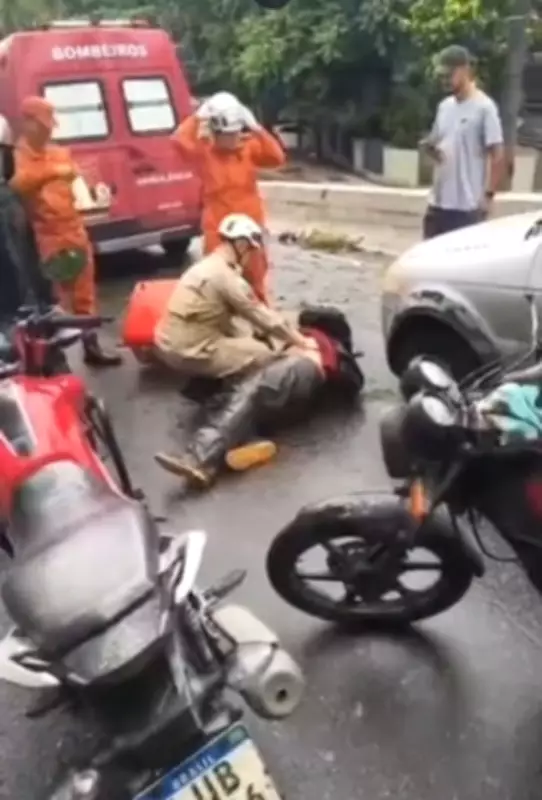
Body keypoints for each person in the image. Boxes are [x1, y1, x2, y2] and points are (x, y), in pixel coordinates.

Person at [154, 305, 365, 489]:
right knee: (238, 404)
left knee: (246, 397)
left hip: (296, 371)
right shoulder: (334, 354)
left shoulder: (315, 340)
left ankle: (200, 459)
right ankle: (240, 447)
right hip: (294, 392)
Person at [10, 96, 121, 367]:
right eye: (43, 124)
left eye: (50, 125)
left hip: (74, 232)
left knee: (86, 297)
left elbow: (77, 183)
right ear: (26, 123)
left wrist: (95, 193)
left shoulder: (58, 153)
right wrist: (53, 172)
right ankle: (52, 358)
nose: (49, 130)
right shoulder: (17, 158)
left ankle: (91, 347)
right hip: (47, 240)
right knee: (54, 303)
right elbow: (17, 185)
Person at [154, 213, 318, 381]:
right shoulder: (227, 278)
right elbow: (263, 317)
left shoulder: (206, 265)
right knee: (264, 355)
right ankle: (232, 401)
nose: (250, 256)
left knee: (242, 334)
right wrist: (302, 341)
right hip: (190, 351)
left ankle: (206, 385)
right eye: (249, 250)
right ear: (240, 245)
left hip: (167, 343)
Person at [172, 92, 285, 304]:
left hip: (251, 226)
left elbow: (276, 158)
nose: (232, 139)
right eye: (226, 135)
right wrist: (198, 116)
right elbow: (178, 141)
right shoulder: (204, 152)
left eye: (235, 133)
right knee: (216, 283)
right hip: (218, 229)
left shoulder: (249, 147)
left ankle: (262, 325)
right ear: (215, 132)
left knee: (256, 283)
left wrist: (257, 128)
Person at [421, 45, 504, 240]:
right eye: (441, 75)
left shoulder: (484, 107)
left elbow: (497, 154)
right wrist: (430, 149)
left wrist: (488, 196)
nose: (444, 80)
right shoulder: (444, 107)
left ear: (465, 70)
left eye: (449, 75)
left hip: (466, 208)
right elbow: (436, 142)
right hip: (438, 204)